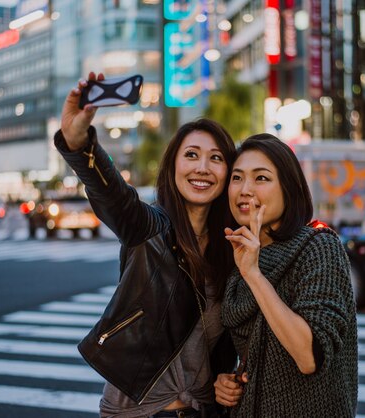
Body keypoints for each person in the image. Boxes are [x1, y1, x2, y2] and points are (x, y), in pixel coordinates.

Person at [55, 72, 237, 417]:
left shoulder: (230, 248)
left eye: (216, 158)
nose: (203, 167)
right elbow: (115, 199)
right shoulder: (151, 229)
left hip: (202, 409)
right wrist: (80, 146)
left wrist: (229, 378)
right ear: (172, 167)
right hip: (142, 411)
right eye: (192, 155)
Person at [213, 133, 358, 417]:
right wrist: (225, 381)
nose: (244, 189)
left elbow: (309, 357)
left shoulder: (318, 247)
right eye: (237, 177)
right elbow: (256, 355)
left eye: (261, 178)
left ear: (288, 188)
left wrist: (254, 275)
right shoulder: (238, 257)